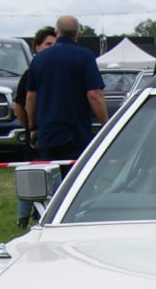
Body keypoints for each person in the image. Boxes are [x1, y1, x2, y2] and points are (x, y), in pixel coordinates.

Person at [25, 15, 108, 165]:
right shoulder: (85, 56)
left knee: (53, 180)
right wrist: (106, 125)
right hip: (77, 135)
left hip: (49, 135)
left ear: (56, 32)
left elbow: (31, 98)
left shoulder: (39, 59)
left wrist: (33, 127)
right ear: (78, 33)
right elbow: (94, 95)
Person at [13, 26, 58, 229]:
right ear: (37, 46)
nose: (52, 48)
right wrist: (30, 127)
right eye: (48, 44)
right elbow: (19, 104)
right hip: (36, 133)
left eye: (55, 44)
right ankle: (23, 218)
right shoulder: (30, 73)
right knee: (32, 176)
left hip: (54, 132)